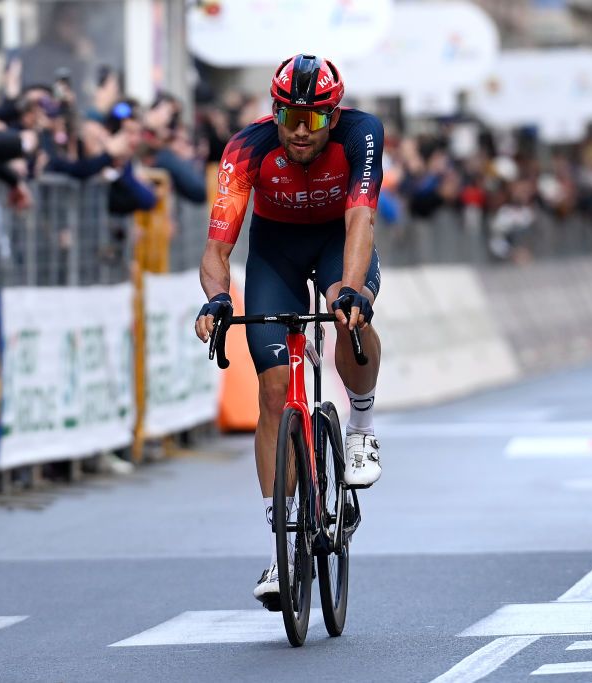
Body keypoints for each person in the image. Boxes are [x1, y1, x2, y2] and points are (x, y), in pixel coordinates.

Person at [193, 54, 383, 607]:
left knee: (348, 310)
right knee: (273, 391)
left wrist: (350, 287)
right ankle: (282, 544)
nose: (301, 131)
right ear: (275, 111)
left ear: (334, 115)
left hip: (336, 242)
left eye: (315, 120)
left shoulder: (361, 133)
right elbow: (217, 246)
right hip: (274, 253)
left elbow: (360, 219)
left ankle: (362, 424)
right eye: (291, 117)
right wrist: (220, 298)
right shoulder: (246, 147)